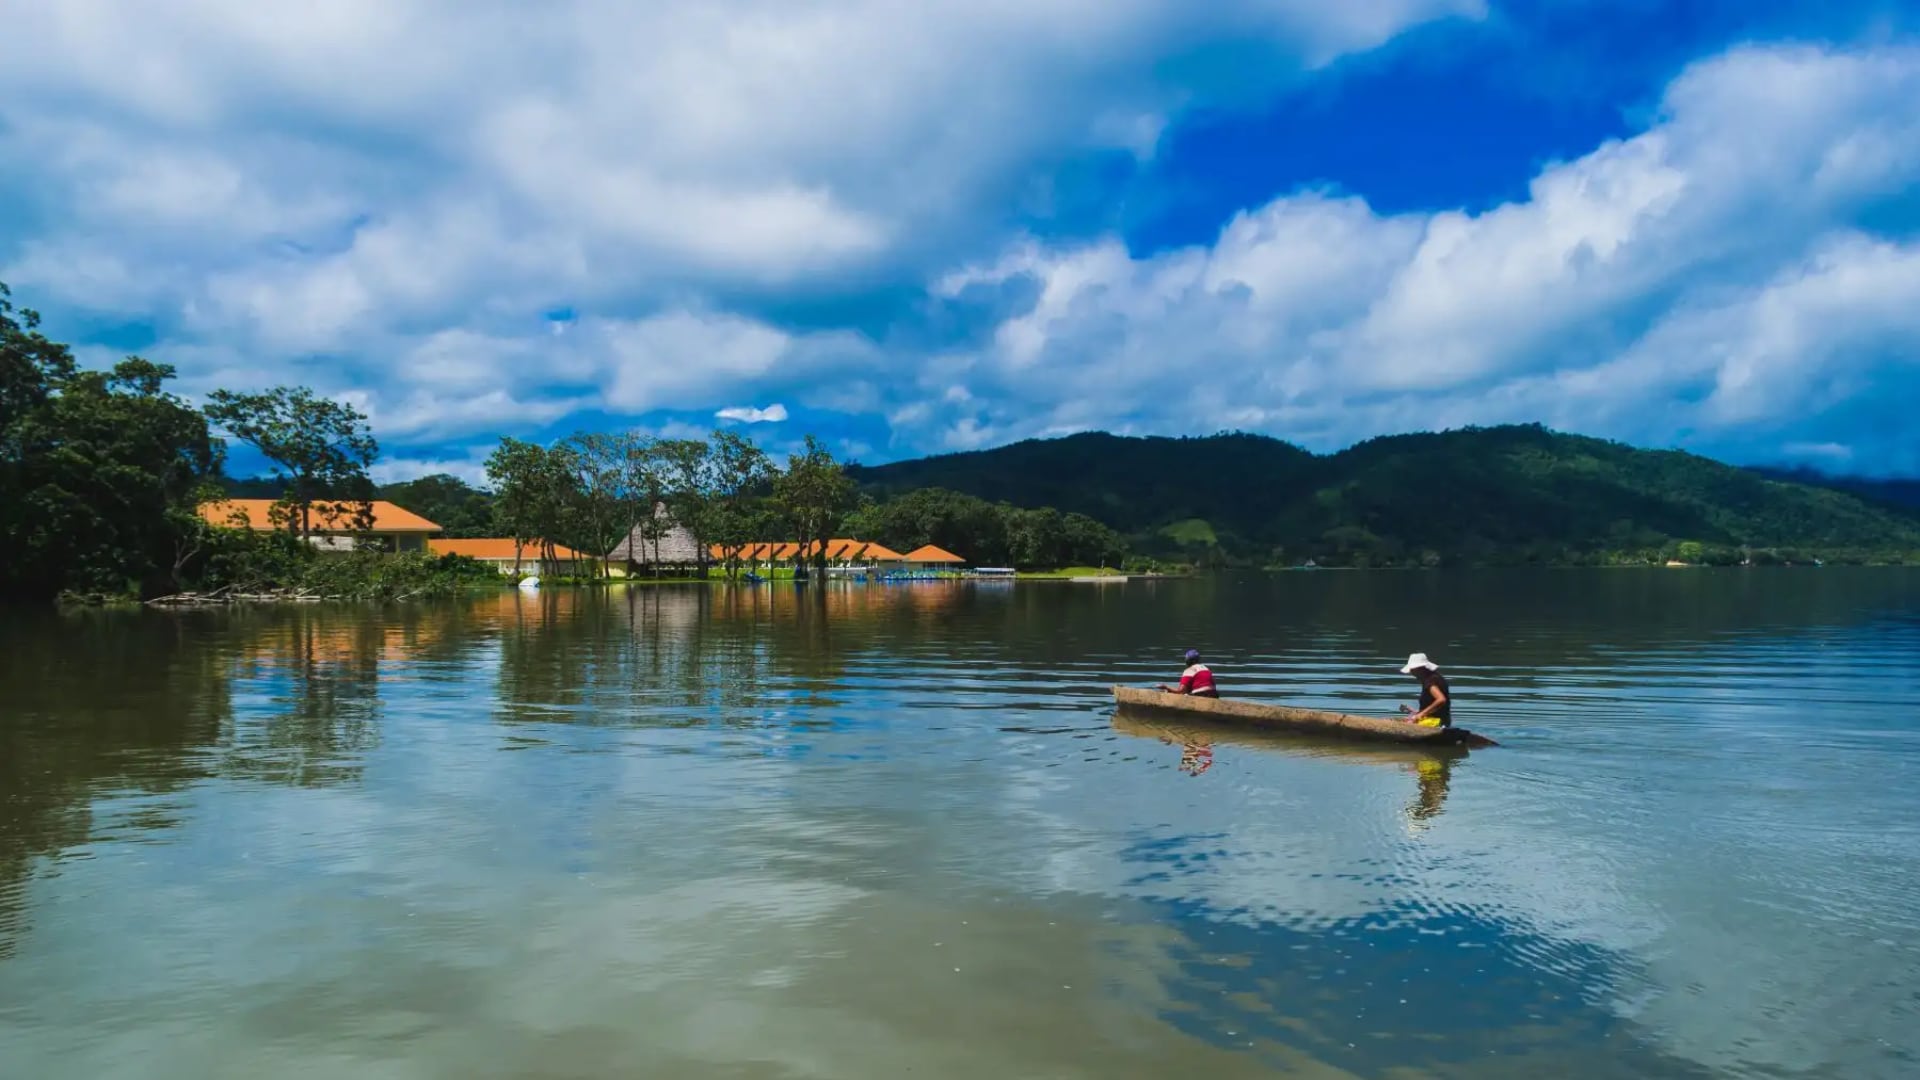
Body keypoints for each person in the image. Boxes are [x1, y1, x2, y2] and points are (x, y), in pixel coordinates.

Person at [1397, 652, 1451, 727]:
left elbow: (1441, 700)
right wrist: (1415, 712)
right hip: (1440, 719)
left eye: (1412, 670)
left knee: (1400, 725)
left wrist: (1421, 714)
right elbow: (1436, 708)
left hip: (1436, 721)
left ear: (1418, 669)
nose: (1412, 673)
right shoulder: (1433, 678)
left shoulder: (1430, 681)